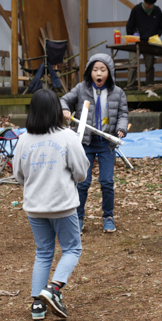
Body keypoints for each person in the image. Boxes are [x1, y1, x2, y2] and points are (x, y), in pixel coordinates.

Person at [13, 89, 90, 321]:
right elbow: (82, 172)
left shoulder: (23, 140)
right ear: (58, 110)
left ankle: (37, 305)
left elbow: (18, 175)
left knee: (44, 252)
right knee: (73, 248)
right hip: (63, 206)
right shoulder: (67, 137)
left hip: (35, 207)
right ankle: (54, 289)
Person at [61, 53, 129, 233]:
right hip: (85, 142)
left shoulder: (118, 93)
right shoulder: (80, 89)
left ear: (110, 72)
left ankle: (108, 216)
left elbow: (123, 114)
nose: (98, 73)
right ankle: (78, 217)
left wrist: (121, 128)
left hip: (107, 143)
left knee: (107, 181)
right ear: (89, 72)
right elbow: (63, 100)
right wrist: (65, 109)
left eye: (103, 70)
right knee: (83, 182)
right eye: (95, 69)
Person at [125, 0, 162, 89]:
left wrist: (156, 36)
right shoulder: (136, 10)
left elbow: (160, 28)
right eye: (146, 4)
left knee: (150, 65)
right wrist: (133, 35)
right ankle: (130, 85)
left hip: (149, 43)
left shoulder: (157, 11)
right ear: (144, 1)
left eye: (150, 5)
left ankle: (149, 85)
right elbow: (129, 26)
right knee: (133, 63)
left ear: (153, 4)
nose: (148, 6)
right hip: (135, 42)